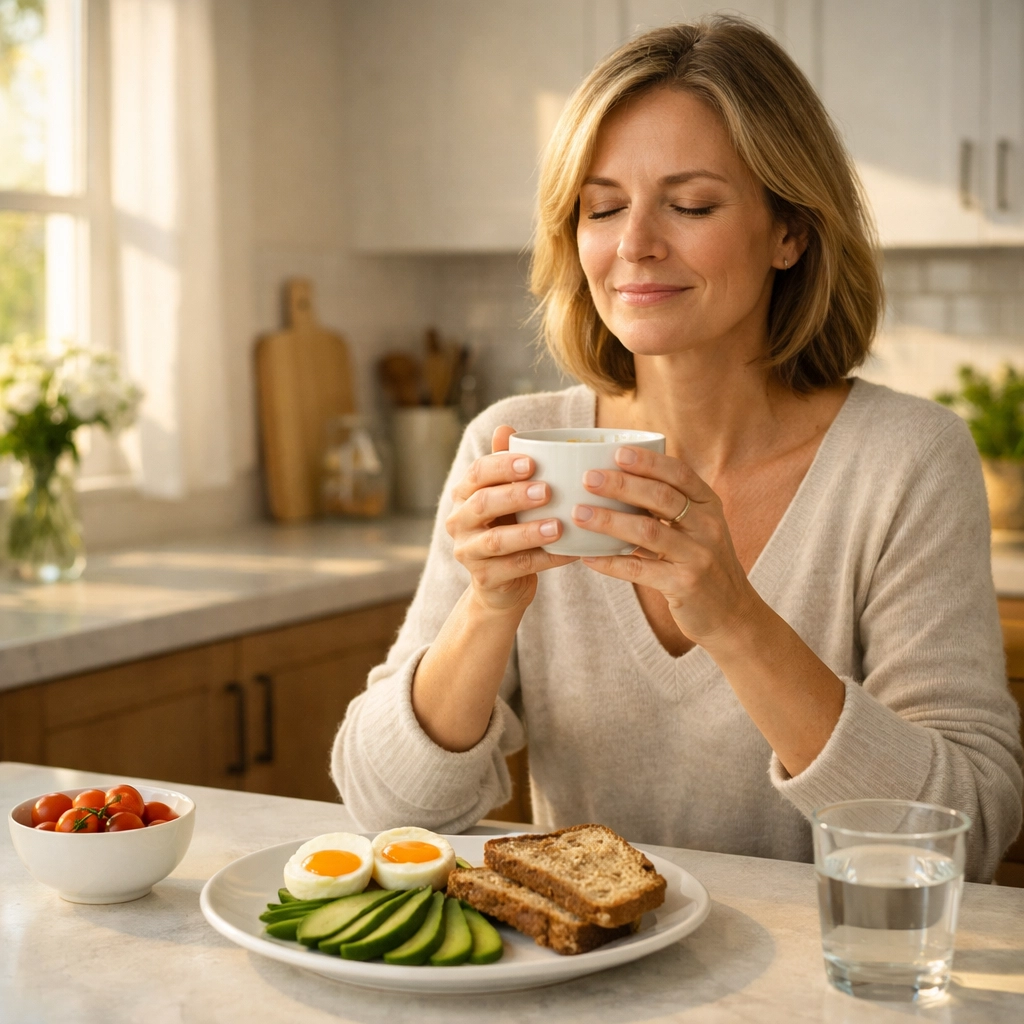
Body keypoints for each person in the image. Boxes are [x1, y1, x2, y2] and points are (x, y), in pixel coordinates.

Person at [333, 18, 1022, 881]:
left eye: (690, 204)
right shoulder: (512, 443)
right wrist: (487, 608)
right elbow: (387, 808)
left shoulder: (905, 460)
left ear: (790, 233)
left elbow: (969, 825)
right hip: (592, 989)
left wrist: (735, 618)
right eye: (603, 206)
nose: (634, 245)